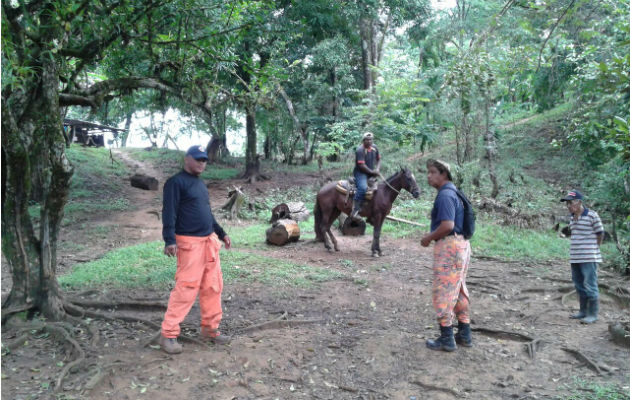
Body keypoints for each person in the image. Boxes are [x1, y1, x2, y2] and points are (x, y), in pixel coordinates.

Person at [159, 145, 232, 354]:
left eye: (204, 160)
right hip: (189, 244)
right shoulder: (175, 182)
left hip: (209, 242)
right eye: (198, 159)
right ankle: (168, 334)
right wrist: (169, 240)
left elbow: (207, 214)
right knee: (186, 288)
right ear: (187, 159)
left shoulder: (200, 185)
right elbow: (169, 212)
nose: (202, 163)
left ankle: (210, 329)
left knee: (212, 286)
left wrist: (221, 232)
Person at [421, 159, 472, 352]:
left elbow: (447, 225)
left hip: (450, 247)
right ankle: (465, 334)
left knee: (443, 291)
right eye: (428, 172)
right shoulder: (455, 192)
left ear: (444, 174)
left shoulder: (445, 195)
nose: (429, 176)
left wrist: (428, 238)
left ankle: (446, 338)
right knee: (458, 289)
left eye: (433, 172)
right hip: (461, 245)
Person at [560, 190, 604, 324]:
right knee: (579, 284)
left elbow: (600, 233)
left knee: (590, 284)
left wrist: (594, 249)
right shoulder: (572, 217)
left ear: (579, 202)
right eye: (567, 203)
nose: (568, 205)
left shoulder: (592, 215)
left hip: (589, 257)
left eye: (571, 202)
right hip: (575, 257)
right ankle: (583, 311)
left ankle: (593, 314)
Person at [351, 132, 381, 221]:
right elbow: (362, 166)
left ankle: (372, 210)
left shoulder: (375, 148)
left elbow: (379, 160)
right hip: (360, 173)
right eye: (367, 140)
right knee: (363, 188)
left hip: (370, 172)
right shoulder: (360, 150)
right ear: (363, 140)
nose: (369, 141)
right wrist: (372, 172)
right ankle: (355, 211)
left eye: (370, 139)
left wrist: (378, 169)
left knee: (378, 189)